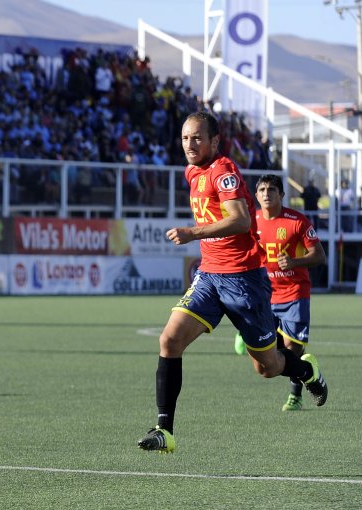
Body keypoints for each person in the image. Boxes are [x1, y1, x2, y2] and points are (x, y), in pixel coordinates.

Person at [137, 112, 329, 453]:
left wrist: (192, 232)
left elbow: (241, 221)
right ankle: (164, 431)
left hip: (244, 281)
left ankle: (306, 371)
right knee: (169, 340)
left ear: (214, 141)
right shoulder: (191, 172)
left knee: (268, 368)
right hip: (210, 277)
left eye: (197, 138)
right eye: (184, 138)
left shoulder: (222, 171)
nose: (190, 144)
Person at [234, 175, 326, 412]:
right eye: (262, 190)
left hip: (295, 294)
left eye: (272, 189)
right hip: (265, 295)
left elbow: (319, 256)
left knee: (292, 349)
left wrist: (294, 262)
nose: (267, 194)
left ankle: (295, 395)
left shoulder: (297, 222)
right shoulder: (250, 221)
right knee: (267, 361)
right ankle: (245, 331)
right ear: (256, 195)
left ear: (282, 195)